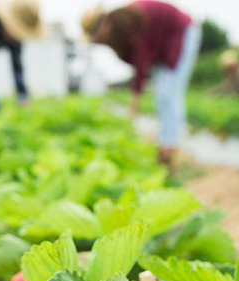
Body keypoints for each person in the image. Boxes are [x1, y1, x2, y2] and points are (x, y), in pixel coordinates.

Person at [81, 1, 201, 167]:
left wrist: (134, 106)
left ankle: (170, 150)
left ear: (103, 26)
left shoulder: (128, 20)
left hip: (183, 32)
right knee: (162, 95)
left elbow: (140, 62)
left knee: (169, 94)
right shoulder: (119, 28)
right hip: (164, 42)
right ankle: (165, 146)